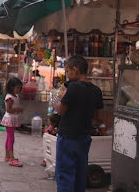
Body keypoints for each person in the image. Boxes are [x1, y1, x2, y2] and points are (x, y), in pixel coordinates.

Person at [55, 55, 104, 192]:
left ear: (75, 70)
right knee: (80, 173)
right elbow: (99, 118)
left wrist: (61, 98)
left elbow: (61, 111)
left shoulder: (73, 88)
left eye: (68, 71)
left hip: (68, 136)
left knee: (65, 174)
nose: (67, 74)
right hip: (84, 137)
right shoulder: (96, 90)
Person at [0, 77, 24, 167]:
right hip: (10, 118)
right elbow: (8, 110)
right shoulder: (9, 97)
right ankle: (11, 158)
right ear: (11, 87)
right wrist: (17, 109)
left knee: (9, 138)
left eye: (19, 88)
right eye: (17, 88)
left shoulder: (15, 96)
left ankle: (8, 156)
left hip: (12, 118)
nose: (19, 90)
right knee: (11, 139)